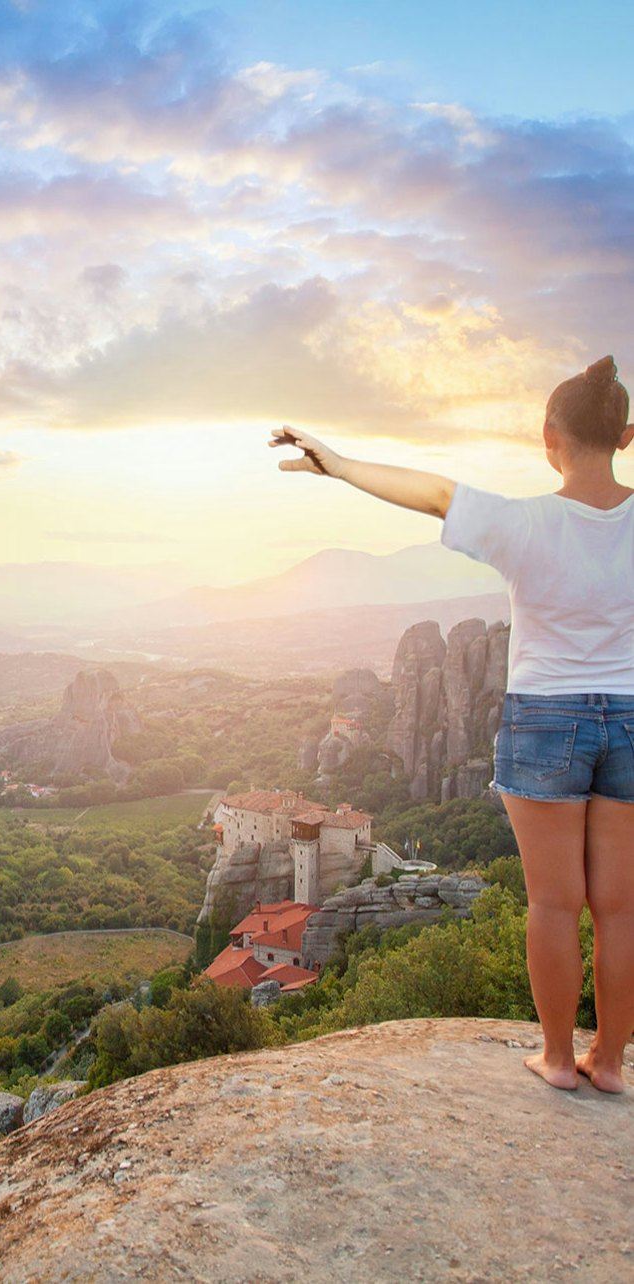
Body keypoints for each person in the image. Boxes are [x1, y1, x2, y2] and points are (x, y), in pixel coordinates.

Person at [272, 356, 634, 1094]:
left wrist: (337, 463)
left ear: (548, 438)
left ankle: (560, 1059)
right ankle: (613, 1062)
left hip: (546, 718)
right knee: (621, 906)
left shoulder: (526, 521)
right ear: (627, 436)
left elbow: (435, 493)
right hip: (631, 714)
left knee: (555, 903)